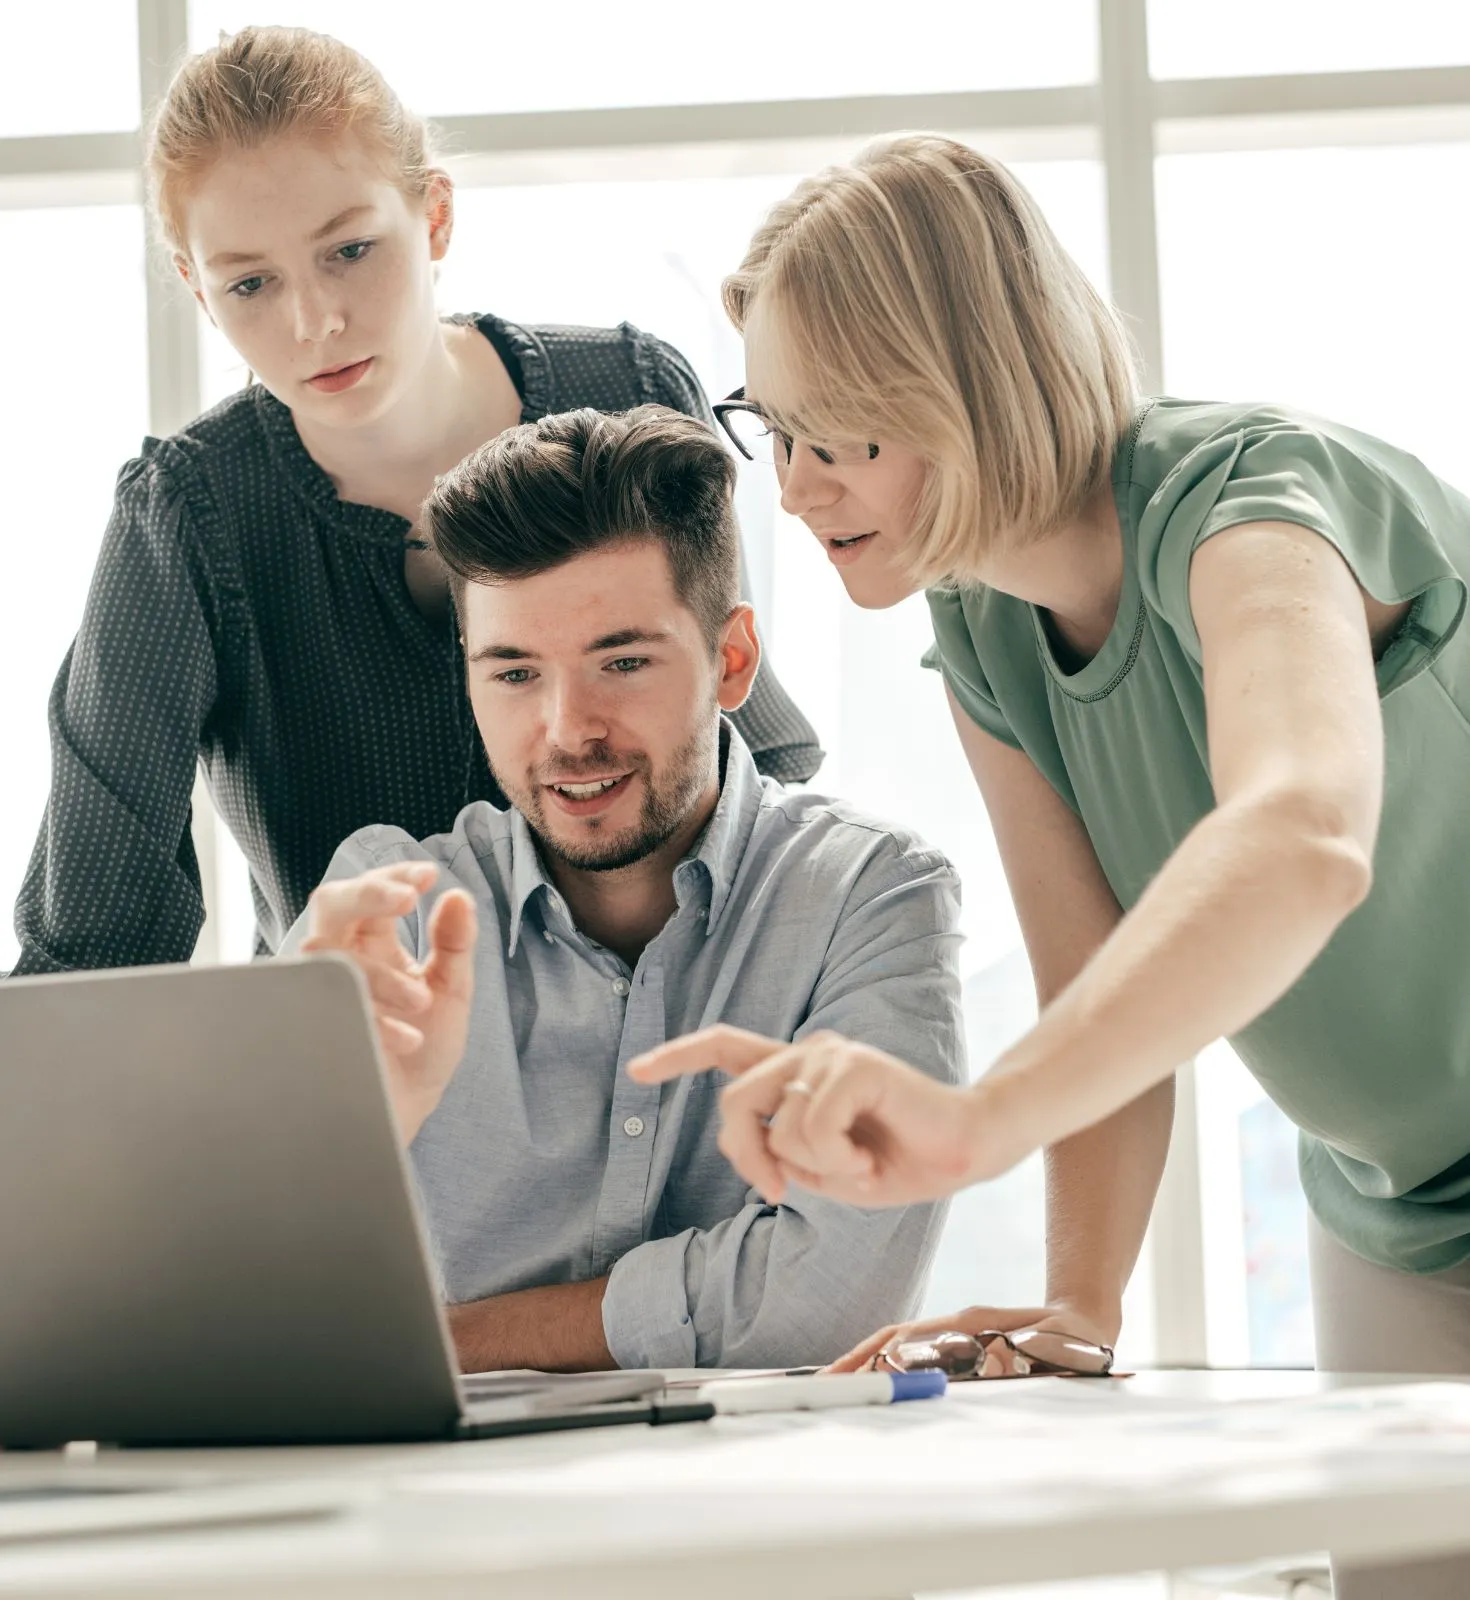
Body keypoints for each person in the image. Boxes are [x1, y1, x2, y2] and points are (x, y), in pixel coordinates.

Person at [630, 134, 1470, 1597]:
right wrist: (1081, 1303)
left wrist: (971, 1126)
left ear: (962, 382)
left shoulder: (1255, 508)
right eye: (776, 428)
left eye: (842, 436)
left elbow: (1302, 837)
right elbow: (1098, 995)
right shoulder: (987, 640)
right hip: (1390, 1207)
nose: (797, 487)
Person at [11, 25, 818, 977]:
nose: (313, 320)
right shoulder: (190, 517)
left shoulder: (632, 392)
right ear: (195, 286)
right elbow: (95, 945)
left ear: (434, 215)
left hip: (659, 1041)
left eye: (349, 249)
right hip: (365, 1076)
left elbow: (748, 757)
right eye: (250, 283)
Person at [284, 404, 963, 1372]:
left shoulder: (871, 896)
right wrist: (345, 1126)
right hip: (437, 1518)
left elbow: (833, 1297)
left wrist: (444, 1343)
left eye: (623, 661)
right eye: (514, 673)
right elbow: (252, 1314)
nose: (568, 729)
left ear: (731, 660)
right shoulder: (383, 910)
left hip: (760, 1506)